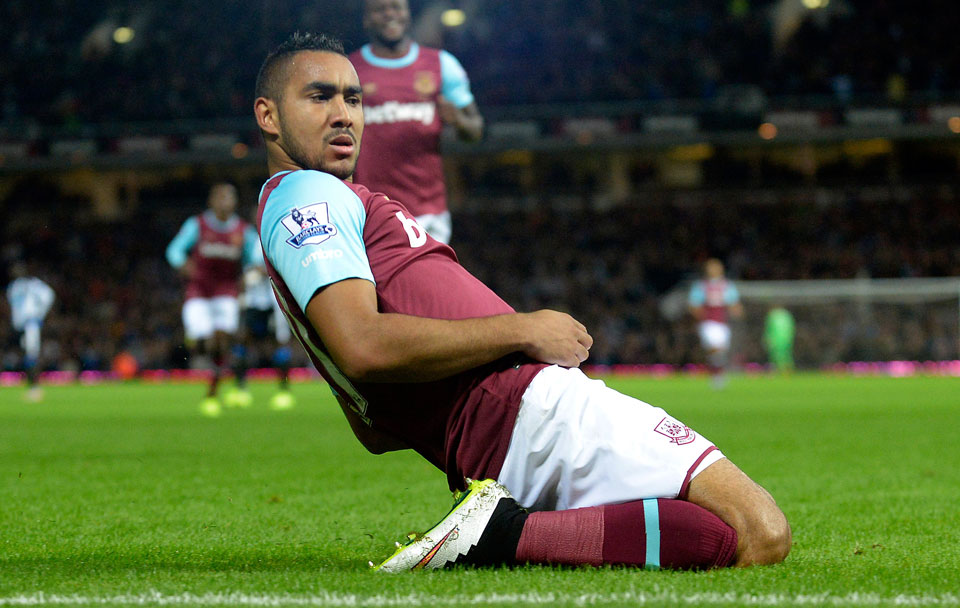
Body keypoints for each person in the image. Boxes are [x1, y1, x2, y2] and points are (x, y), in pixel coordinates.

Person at [252, 32, 789, 571]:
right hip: (524, 403)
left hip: (493, 434)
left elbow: (371, 426)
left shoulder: (309, 206)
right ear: (268, 116)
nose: (344, 114)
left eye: (354, 98)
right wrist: (522, 330)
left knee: (715, 538)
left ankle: (499, 530)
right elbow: (362, 346)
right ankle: (494, 536)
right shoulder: (308, 194)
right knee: (761, 531)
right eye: (319, 97)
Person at [348, 0, 484, 244]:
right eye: (381, 9)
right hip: (369, 210)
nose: (390, 14)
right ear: (367, 19)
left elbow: (475, 130)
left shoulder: (442, 64)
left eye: (396, 7)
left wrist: (458, 121)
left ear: (408, 13)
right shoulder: (349, 69)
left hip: (428, 212)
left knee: (429, 282)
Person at [165, 183, 261, 417]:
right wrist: (183, 264)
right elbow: (174, 251)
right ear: (211, 201)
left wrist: (250, 276)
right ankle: (195, 343)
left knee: (221, 340)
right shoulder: (197, 225)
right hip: (198, 292)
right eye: (221, 197)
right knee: (203, 341)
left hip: (226, 293)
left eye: (229, 197)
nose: (225, 202)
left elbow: (256, 260)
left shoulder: (243, 231)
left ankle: (213, 391)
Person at [238, 253, 296, 410]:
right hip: (252, 301)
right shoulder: (247, 237)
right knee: (243, 341)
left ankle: (284, 391)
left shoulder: (275, 231)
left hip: (273, 300)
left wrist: (262, 271)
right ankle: (241, 389)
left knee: (278, 343)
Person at [688, 258, 744, 388]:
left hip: (722, 323)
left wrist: (736, 310)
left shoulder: (726, 286)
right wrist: (698, 313)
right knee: (715, 348)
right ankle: (717, 375)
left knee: (720, 351)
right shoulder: (701, 286)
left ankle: (716, 374)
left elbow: (733, 302)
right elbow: (694, 304)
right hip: (708, 323)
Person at [6, 261, 55, 402]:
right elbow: (14, 308)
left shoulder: (35, 285)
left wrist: (40, 315)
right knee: (25, 356)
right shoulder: (14, 287)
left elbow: (49, 296)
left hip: (31, 324)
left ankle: (35, 388)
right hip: (19, 326)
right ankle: (31, 386)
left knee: (31, 355)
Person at [763, 305, 795, 374]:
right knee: (785, 355)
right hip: (786, 338)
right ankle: (786, 369)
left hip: (776, 339)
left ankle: (779, 369)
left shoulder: (772, 315)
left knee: (776, 355)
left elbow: (768, 329)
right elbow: (792, 327)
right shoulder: (787, 315)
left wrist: (767, 338)